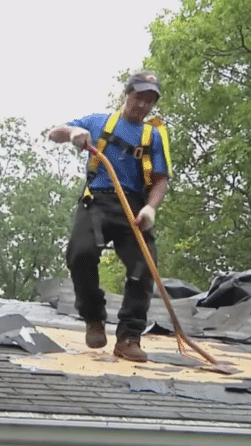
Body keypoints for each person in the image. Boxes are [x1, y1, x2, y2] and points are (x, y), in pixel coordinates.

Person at [48, 71, 171, 362]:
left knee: (143, 268)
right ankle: (93, 317)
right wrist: (73, 133)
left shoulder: (152, 136)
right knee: (80, 254)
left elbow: (161, 179)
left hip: (134, 209)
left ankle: (129, 338)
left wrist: (151, 208)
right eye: (139, 97)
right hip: (97, 202)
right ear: (127, 94)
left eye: (149, 100)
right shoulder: (98, 123)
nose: (143, 105)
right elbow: (55, 132)